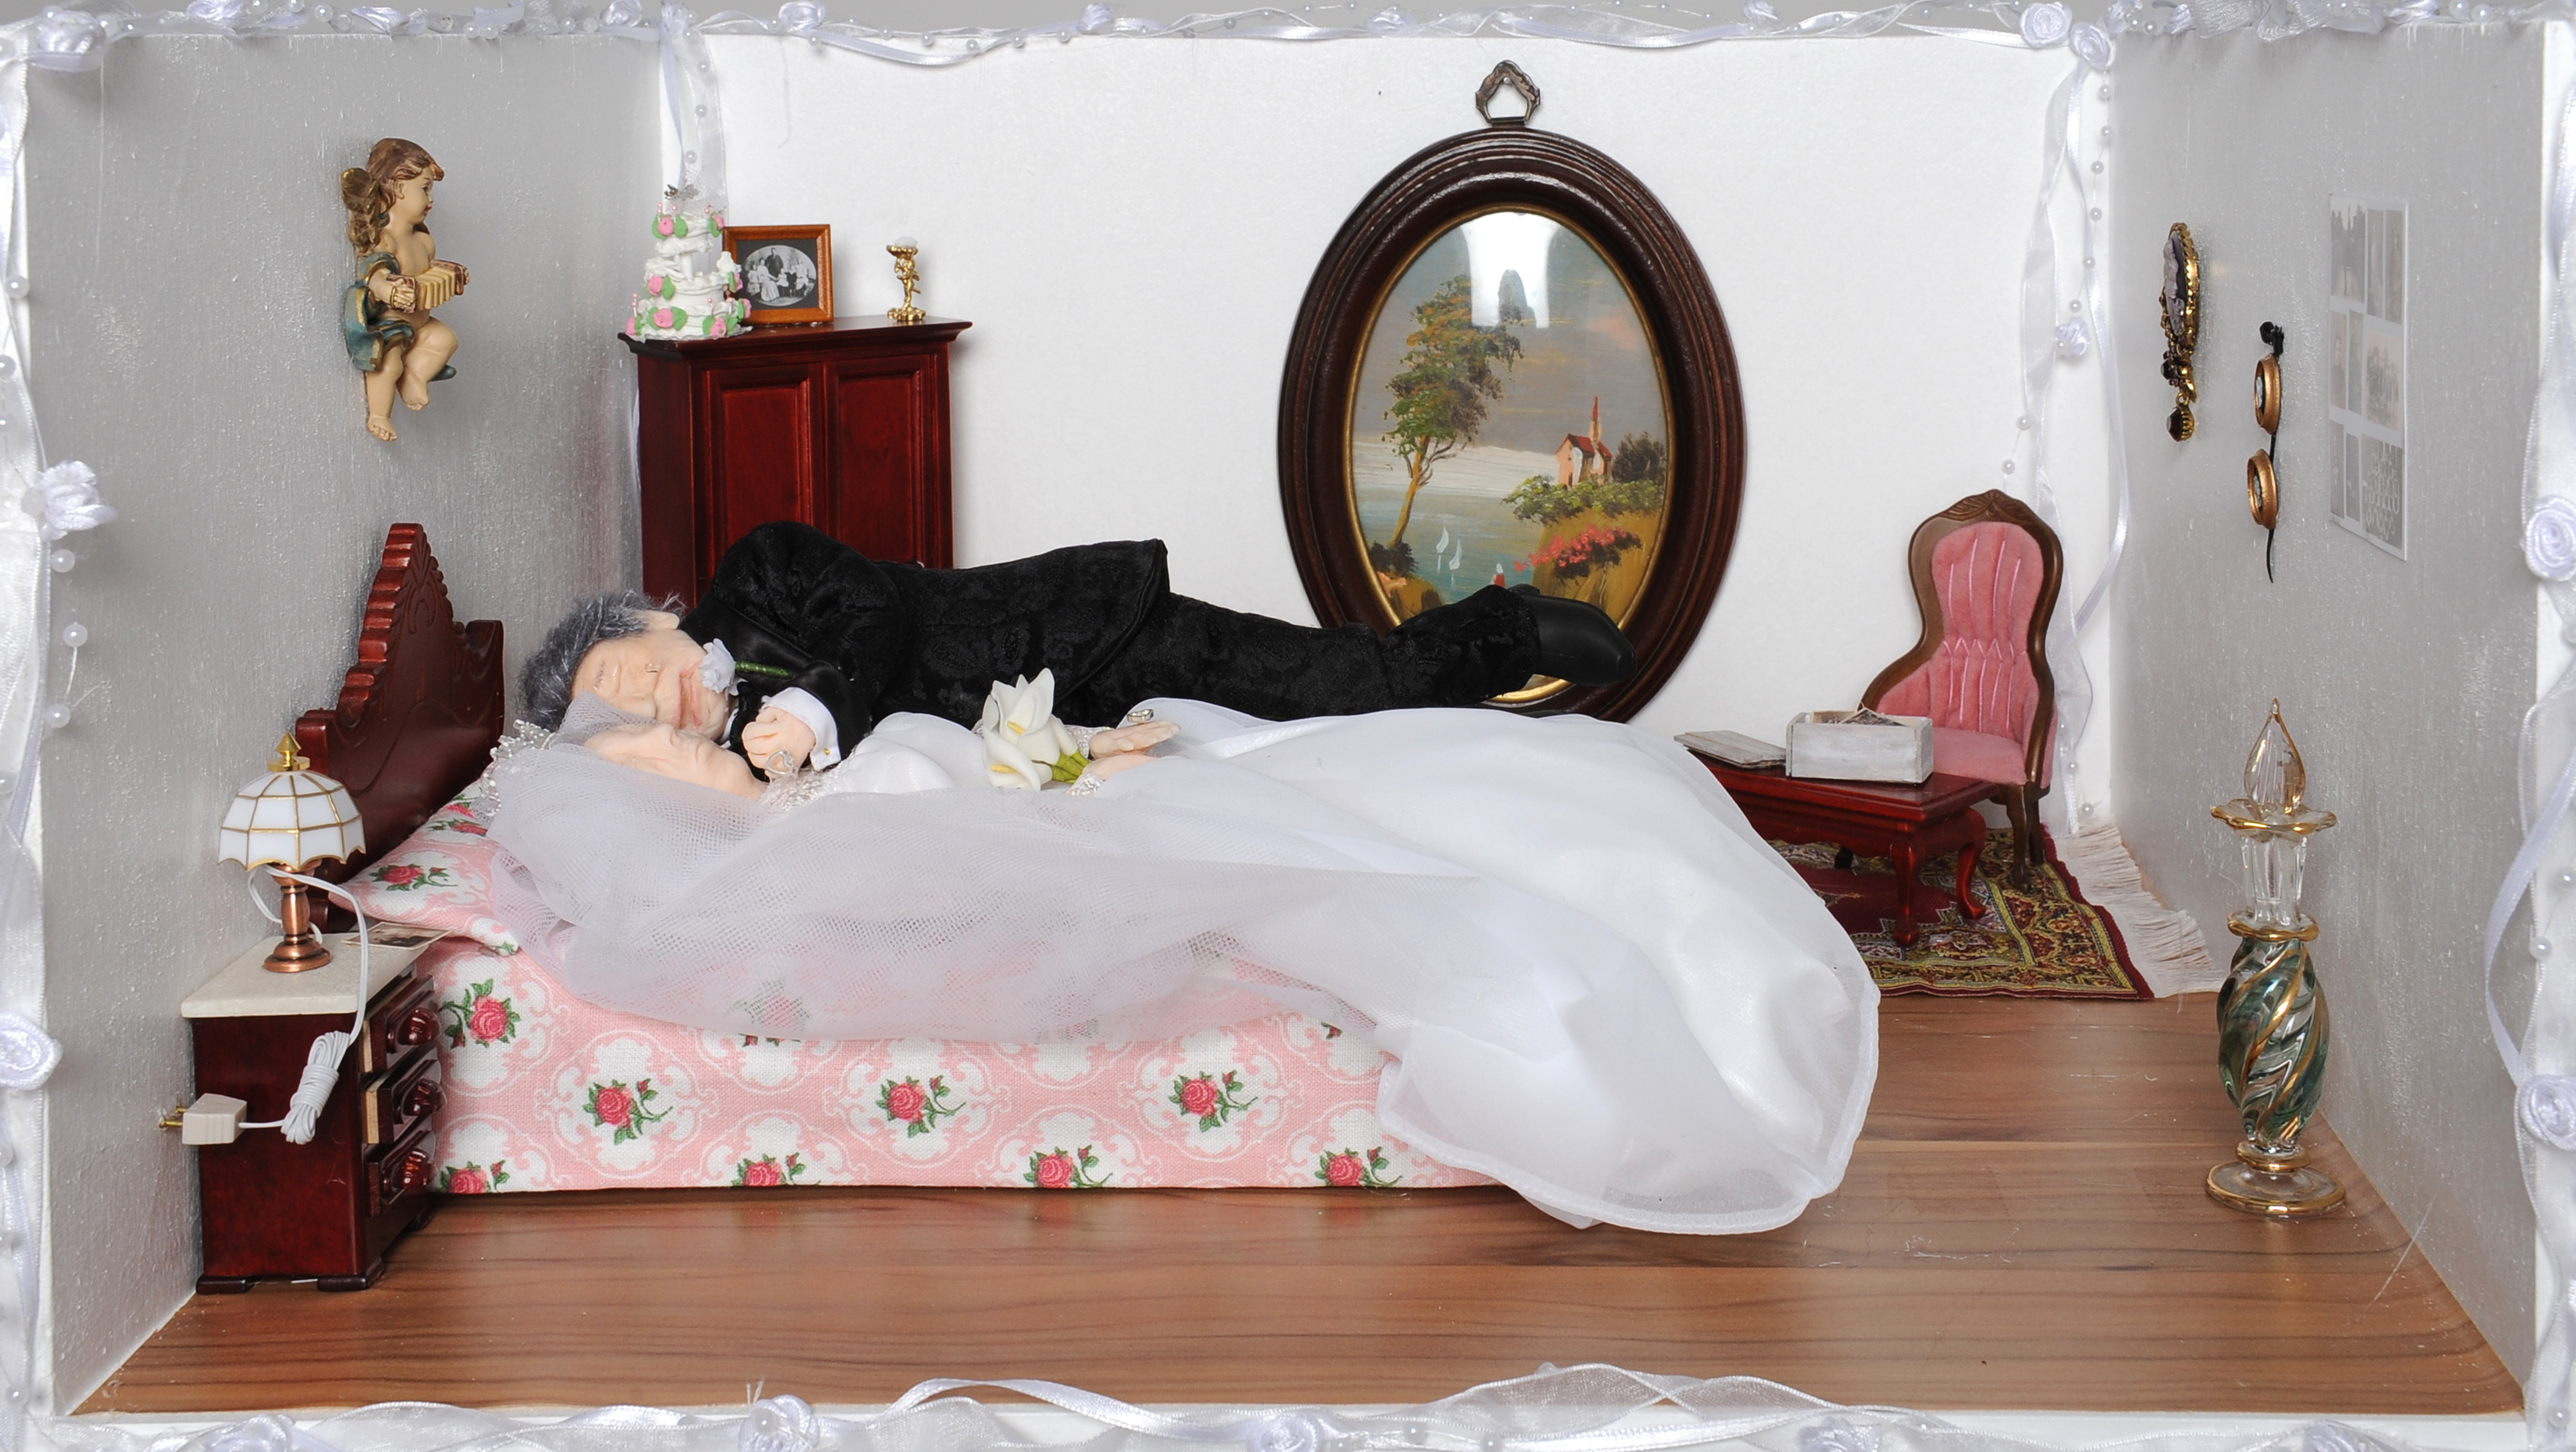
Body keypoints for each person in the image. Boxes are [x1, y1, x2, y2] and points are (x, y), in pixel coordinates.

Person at [488, 691, 1878, 1236]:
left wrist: (1084, 756)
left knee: (1461, 773)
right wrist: (1071, 792)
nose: (689, 737)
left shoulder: (808, 780)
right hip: (1106, 825)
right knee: (1412, 855)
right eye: (661, 754)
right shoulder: (796, 848)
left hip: (1104, 784)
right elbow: (972, 860)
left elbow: (945, 767)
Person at [521, 520, 1638, 778]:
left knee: (1337, 685)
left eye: (628, 672)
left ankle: (1512, 626)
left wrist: (812, 708)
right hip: (1060, 735)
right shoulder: (737, 759)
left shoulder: (761, 567)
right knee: (1308, 760)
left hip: (1091, 631)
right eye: (624, 716)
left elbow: (876, 617)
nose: (652, 699)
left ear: (651, 619)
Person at [340, 138, 467, 443]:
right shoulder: (387, 241)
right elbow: (374, 273)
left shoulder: (423, 241)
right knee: (388, 364)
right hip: (392, 326)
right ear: (397, 188)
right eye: (425, 189)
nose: (430, 200)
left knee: (446, 340)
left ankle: (415, 375)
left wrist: (453, 275)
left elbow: (432, 271)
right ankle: (379, 415)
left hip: (421, 323)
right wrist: (388, 290)